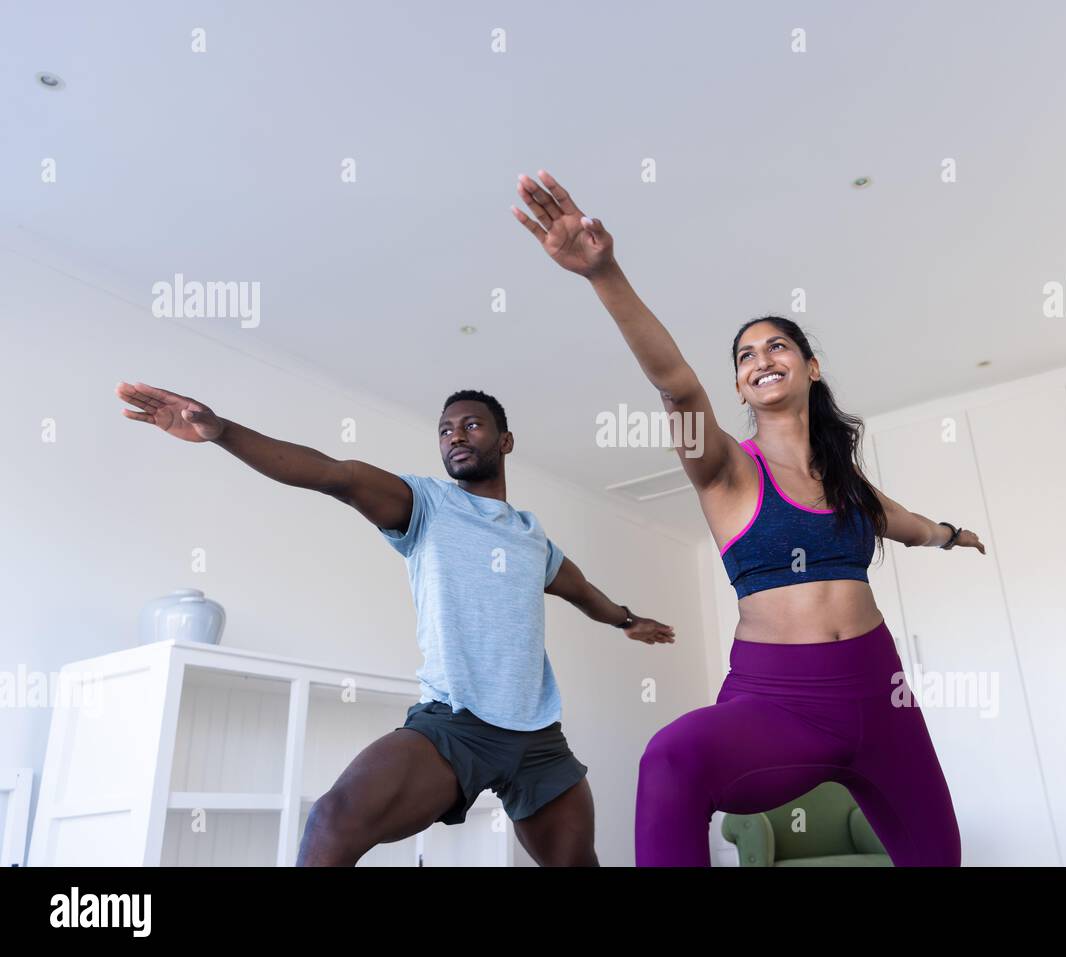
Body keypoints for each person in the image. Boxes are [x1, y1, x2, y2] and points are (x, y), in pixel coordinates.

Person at [513, 170, 983, 866]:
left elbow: (908, 523)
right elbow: (675, 387)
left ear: (810, 366)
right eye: (745, 355)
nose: (761, 358)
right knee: (672, 757)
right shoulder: (728, 470)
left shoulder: (851, 488)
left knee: (940, 859)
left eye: (777, 346)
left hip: (883, 700)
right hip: (781, 701)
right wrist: (603, 272)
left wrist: (952, 535)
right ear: (738, 384)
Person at [115, 381, 674, 866]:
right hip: (455, 725)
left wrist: (628, 620)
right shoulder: (426, 504)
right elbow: (333, 475)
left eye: (472, 425)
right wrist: (222, 431)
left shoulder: (532, 538)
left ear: (505, 442)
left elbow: (580, 591)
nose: (455, 435)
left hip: (538, 739)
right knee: (337, 819)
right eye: (445, 429)